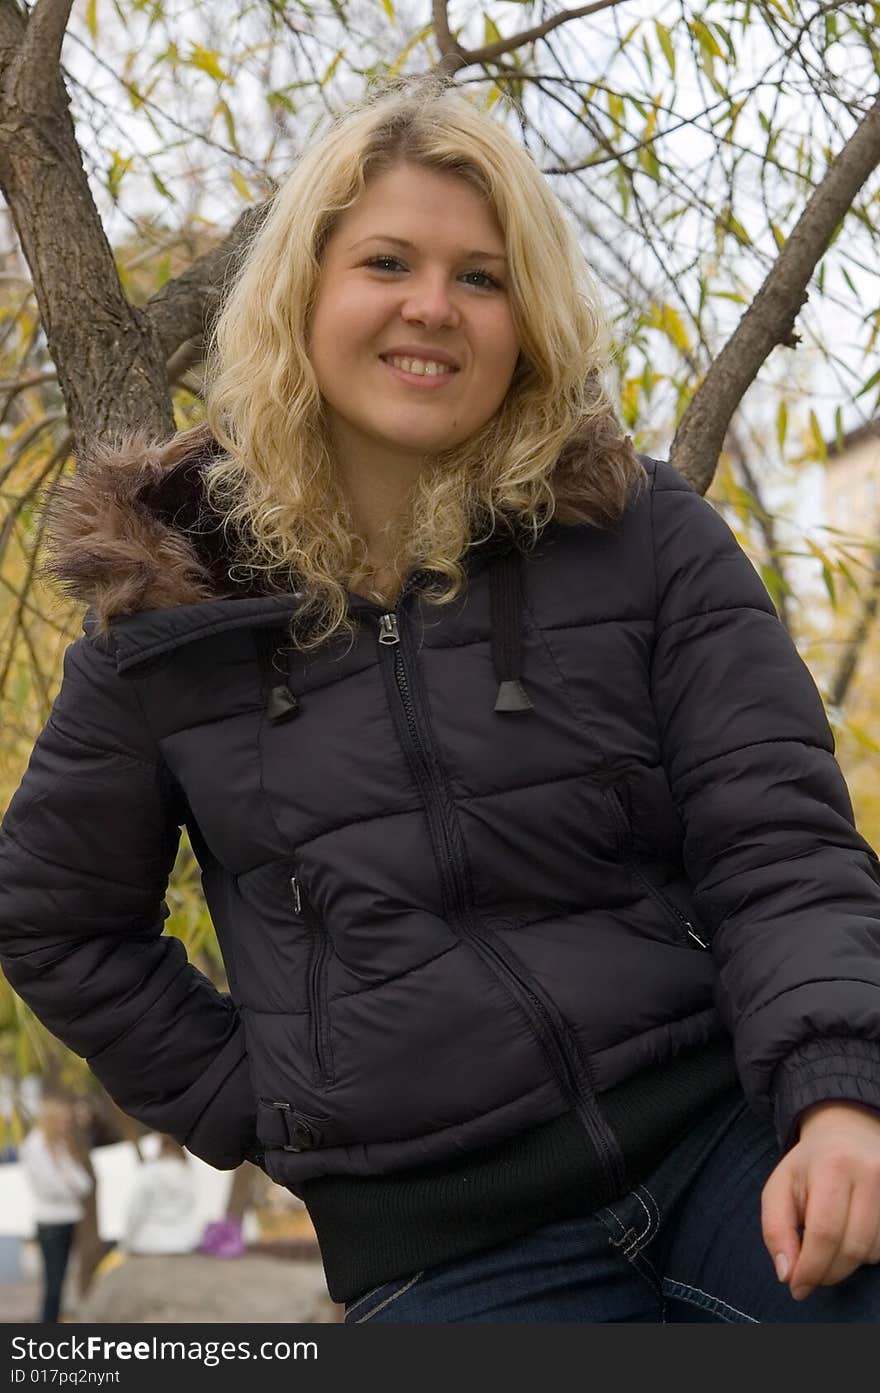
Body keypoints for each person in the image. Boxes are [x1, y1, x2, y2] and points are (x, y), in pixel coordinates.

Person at [1, 72, 879, 1324]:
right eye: (387, 262)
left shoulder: (644, 537)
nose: (434, 306)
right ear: (302, 291)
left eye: (482, 275)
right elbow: (52, 919)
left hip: (727, 1142)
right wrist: (273, 1101)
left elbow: (778, 842)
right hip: (447, 1246)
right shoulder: (171, 609)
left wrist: (840, 1096)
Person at [19, 1097, 93, 1322]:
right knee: (53, 1284)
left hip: (69, 1218)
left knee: (63, 1282)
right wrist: (68, 1184)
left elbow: (83, 1183)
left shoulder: (60, 1147)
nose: (66, 1126)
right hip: (51, 1223)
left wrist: (67, 1183)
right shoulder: (35, 1146)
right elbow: (48, 1187)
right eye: (62, 1121)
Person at [121, 1135, 202, 1256]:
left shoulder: (150, 1172)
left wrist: (126, 1242)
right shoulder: (187, 1174)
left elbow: (135, 1209)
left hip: (148, 1242)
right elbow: (191, 1204)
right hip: (182, 1242)